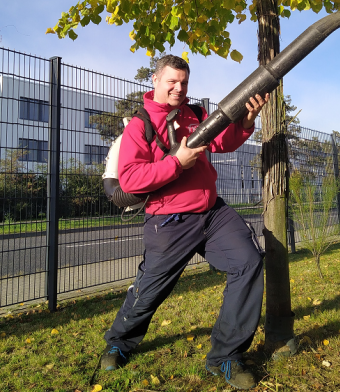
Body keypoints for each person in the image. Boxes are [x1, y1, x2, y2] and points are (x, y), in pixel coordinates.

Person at [101, 54, 269, 390]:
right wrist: (177, 162)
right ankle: (119, 342)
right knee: (150, 290)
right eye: (172, 82)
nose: (179, 88)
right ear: (155, 81)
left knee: (248, 262)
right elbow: (131, 180)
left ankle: (225, 356)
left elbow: (221, 142)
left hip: (211, 213)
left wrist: (246, 121)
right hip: (169, 221)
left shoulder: (194, 115)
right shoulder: (141, 125)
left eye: (184, 82)